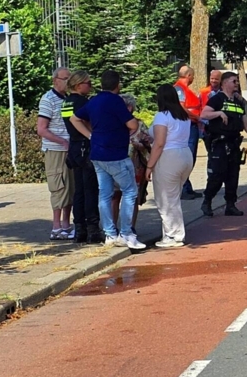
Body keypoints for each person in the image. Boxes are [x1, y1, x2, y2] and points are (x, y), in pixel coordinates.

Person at [69, 70, 144, 251]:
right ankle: (126, 233)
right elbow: (132, 124)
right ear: (117, 84)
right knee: (130, 192)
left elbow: (74, 118)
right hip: (116, 153)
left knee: (105, 193)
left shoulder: (93, 101)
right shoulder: (116, 101)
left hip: (97, 154)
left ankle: (110, 234)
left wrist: (91, 136)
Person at [200, 71, 247, 217]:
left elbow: (245, 124)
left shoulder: (239, 102)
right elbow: (204, 114)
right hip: (219, 143)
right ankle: (207, 201)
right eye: (234, 81)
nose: (237, 84)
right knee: (217, 175)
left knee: (233, 176)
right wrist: (219, 113)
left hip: (234, 143)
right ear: (225, 82)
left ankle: (230, 205)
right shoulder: (217, 99)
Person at [145, 84, 195, 247]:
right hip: (185, 154)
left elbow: (159, 143)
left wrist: (149, 166)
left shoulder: (162, 116)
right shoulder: (183, 115)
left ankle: (173, 235)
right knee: (174, 196)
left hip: (169, 156)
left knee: (165, 198)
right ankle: (170, 233)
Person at [62, 70, 102, 243]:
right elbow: (84, 122)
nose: (91, 86)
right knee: (90, 189)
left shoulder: (65, 103)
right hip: (85, 146)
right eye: (88, 83)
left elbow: (68, 122)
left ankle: (80, 229)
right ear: (79, 85)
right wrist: (92, 136)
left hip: (74, 146)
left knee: (79, 190)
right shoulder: (83, 103)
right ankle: (93, 229)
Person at [37, 67, 75, 239]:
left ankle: (67, 225)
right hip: (55, 150)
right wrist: (62, 141)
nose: (68, 81)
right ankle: (56, 227)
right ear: (55, 80)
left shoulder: (68, 98)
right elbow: (41, 129)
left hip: (70, 150)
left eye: (70, 78)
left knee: (71, 187)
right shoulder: (48, 99)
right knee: (58, 187)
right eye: (65, 78)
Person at [110, 93, 151, 234]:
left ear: (130, 108)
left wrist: (140, 146)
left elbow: (150, 145)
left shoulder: (139, 125)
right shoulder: (113, 123)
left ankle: (130, 228)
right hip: (115, 167)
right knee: (114, 197)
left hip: (135, 168)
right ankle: (113, 227)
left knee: (132, 198)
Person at [174, 65, 203, 199]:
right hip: (188, 125)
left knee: (190, 158)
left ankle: (187, 186)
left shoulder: (184, 89)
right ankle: (183, 188)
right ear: (189, 76)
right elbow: (181, 106)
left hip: (191, 125)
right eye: (193, 76)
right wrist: (196, 117)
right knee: (188, 157)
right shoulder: (179, 88)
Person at [199, 69, 222, 153]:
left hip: (220, 126)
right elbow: (199, 107)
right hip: (207, 127)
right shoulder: (203, 92)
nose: (213, 81)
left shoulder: (224, 92)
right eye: (212, 78)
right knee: (210, 152)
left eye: (216, 79)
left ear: (220, 80)